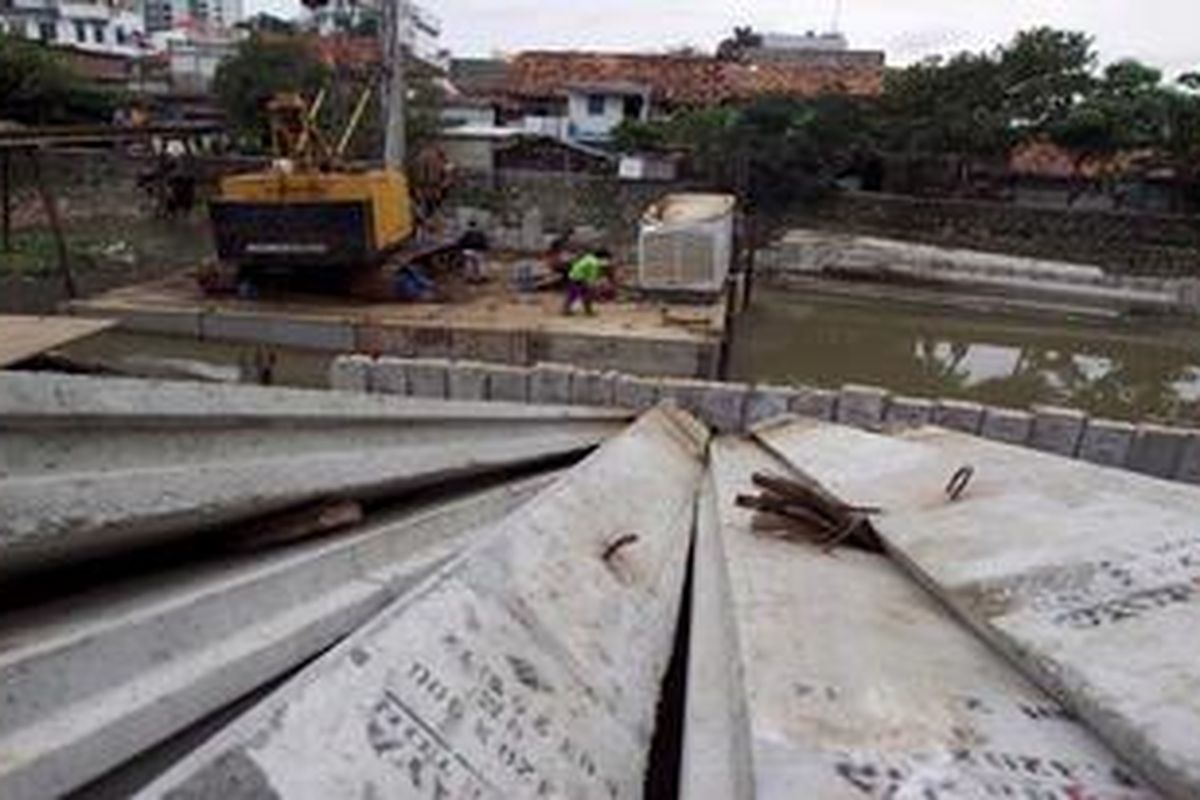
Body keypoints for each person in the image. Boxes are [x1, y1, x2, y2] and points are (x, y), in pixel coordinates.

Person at [563, 248, 610, 316]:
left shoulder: (589, 257)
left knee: (574, 295)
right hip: (579, 278)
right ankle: (587, 310)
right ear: (602, 257)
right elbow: (591, 277)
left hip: (573, 275)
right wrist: (592, 286)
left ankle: (569, 310)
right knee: (585, 294)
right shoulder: (594, 263)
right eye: (606, 258)